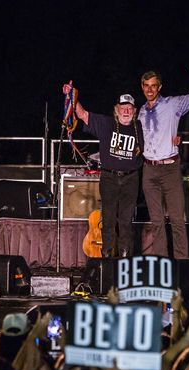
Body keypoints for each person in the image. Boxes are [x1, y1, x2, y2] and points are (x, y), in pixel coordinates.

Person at [63, 81, 143, 257]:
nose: (126, 111)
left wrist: (174, 140)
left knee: (126, 220)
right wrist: (71, 96)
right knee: (107, 219)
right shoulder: (106, 123)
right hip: (109, 178)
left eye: (129, 108)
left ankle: (125, 255)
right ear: (116, 110)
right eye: (122, 108)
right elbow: (82, 114)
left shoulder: (140, 127)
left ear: (134, 111)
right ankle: (106, 255)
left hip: (131, 178)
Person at [138, 53, 189, 259]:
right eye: (146, 86)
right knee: (157, 221)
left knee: (177, 219)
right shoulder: (140, 112)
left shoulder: (171, 104)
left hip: (170, 168)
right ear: (142, 87)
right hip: (149, 170)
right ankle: (162, 262)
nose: (150, 89)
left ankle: (181, 263)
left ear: (159, 87)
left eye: (153, 86)